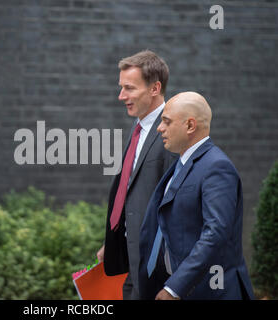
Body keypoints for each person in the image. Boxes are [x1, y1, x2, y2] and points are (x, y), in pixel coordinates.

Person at [139, 91, 255, 299]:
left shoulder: (216, 167)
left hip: (212, 292)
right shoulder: (181, 164)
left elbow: (216, 232)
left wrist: (174, 288)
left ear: (190, 126)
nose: (160, 128)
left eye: (166, 121)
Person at [96, 50, 177, 300]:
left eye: (129, 88)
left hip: (156, 264)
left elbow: (174, 203)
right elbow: (130, 190)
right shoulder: (139, 126)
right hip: (131, 256)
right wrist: (114, 239)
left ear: (155, 88)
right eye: (121, 88)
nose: (121, 96)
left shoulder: (171, 131)